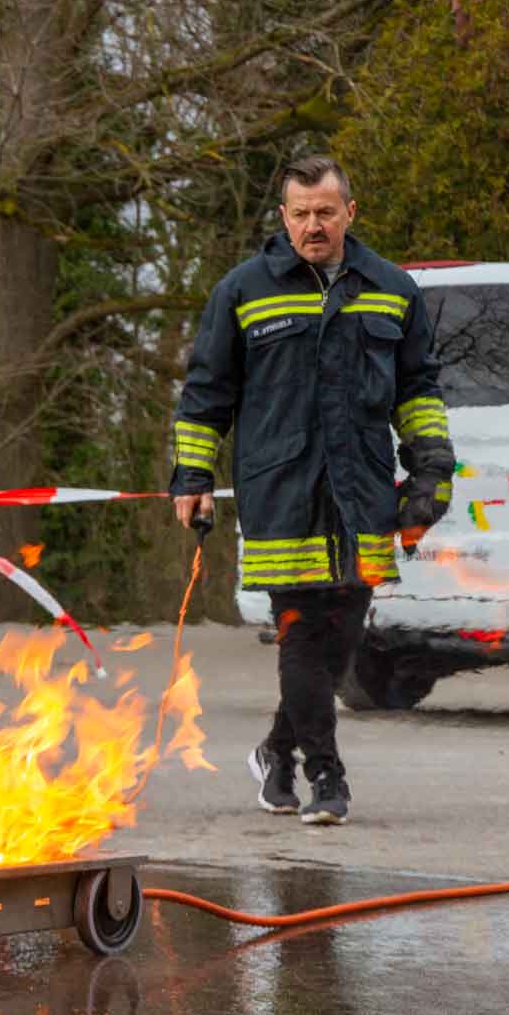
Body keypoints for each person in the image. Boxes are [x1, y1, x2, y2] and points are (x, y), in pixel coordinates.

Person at [170, 156, 454, 825]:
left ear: (350, 213)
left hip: (361, 493)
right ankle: (325, 779)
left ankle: (274, 750)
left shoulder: (392, 289)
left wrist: (433, 470)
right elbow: (207, 393)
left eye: (325, 212)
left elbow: (418, 389)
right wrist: (193, 477)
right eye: (300, 213)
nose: (312, 225)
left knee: (343, 639)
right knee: (301, 632)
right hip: (280, 493)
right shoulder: (244, 291)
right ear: (283, 218)